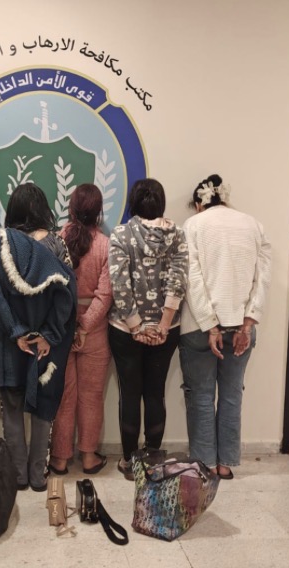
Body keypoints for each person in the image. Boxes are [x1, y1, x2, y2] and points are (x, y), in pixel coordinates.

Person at [0, 183, 77, 491]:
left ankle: (18, 476)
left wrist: (15, 331)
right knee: (43, 406)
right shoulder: (57, 244)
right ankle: (38, 475)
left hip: (10, 342)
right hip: (46, 345)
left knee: (11, 407)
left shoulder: (0, 243)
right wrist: (49, 334)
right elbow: (68, 294)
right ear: (43, 210)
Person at [178, 174, 271, 480]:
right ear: (225, 198)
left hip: (198, 327)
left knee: (201, 395)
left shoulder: (193, 225)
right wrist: (248, 322)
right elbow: (262, 278)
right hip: (241, 325)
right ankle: (226, 464)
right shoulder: (253, 225)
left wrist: (211, 325)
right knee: (232, 393)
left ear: (198, 204)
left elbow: (192, 278)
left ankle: (205, 464)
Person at [108, 178, 188, 479]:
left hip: (125, 330)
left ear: (133, 202)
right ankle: (153, 458)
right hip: (167, 330)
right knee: (155, 393)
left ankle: (130, 462)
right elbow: (178, 280)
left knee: (129, 394)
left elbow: (119, 285)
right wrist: (163, 326)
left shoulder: (121, 234)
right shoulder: (177, 234)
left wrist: (136, 326)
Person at [49, 184, 113, 475]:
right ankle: (88, 457)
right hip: (95, 332)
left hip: (60, 329)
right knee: (92, 395)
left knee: (63, 396)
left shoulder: (56, 239)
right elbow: (105, 295)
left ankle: (60, 459)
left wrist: (70, 324)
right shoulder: (105, 245)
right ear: (98, 212)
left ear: (71, 207)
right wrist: (85, 326)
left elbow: (50, 288)